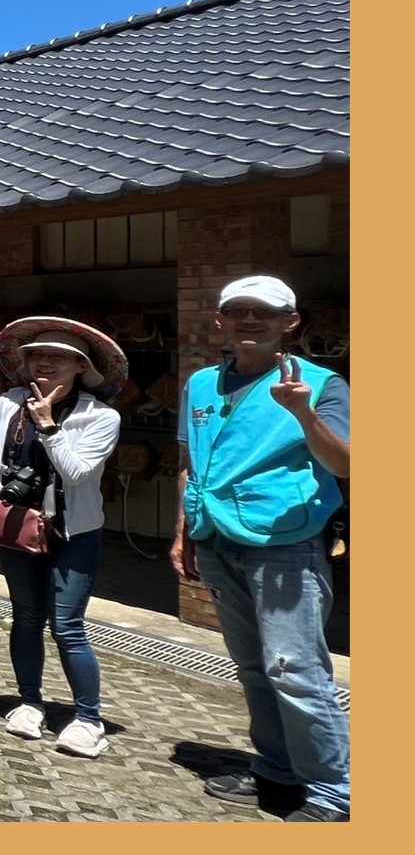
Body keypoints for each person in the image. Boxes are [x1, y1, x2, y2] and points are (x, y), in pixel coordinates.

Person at [173, 275, 351, 822]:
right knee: (253, 666)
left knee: (294, 670)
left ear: (289, 322)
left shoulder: (320, 384)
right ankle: (276, 769)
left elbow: (347, 464)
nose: (250, 320)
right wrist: (184, 530)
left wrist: (303, 414)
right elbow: (190, 462)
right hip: (216, 538)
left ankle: (333, 792)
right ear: (220, 319)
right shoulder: (201, 383)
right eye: (238, 310)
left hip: (284, 544)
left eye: (265, 312)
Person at [0, 316, 127, 758]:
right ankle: (29, 703)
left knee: (67, 626)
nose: (44, 363)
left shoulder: (101, 417)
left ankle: (88, 718)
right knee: (26, 617)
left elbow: (77, 472)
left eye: (58, 357)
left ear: (81, 366)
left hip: (74, 533)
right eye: (36, 355)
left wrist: (47, 426)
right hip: (18, 526)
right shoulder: (8, 404)